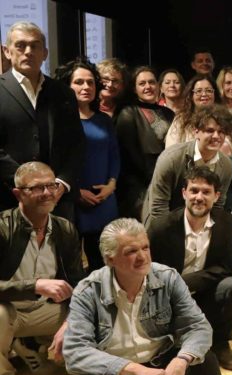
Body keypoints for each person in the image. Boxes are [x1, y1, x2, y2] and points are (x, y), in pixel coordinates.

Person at [63, 218, 232, 375]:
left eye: (145, 248)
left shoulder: (167, 277)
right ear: (110, 259)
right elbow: (74, 351)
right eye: (131, 251)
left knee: (206, 361)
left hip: (162, 370)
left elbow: (198, 326)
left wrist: (182, 360)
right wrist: (134, 370)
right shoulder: (88, 290)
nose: (142, 257)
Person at [0, 162, 84, 375]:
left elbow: (78, 284)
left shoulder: (64, 228)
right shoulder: (2, 227)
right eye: (37, 188)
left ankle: (32, 345)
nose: (48, 193)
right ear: (18, 194)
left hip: (43, 311)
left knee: (95, 311)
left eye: (52, 185)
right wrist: (34, 286)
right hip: (8, 312)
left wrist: (71, 321)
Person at [147, 166, 232, 370]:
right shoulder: (160, 227)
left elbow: (228, 267)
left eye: (206, 192)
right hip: (170, 298)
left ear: (216, 196)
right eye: (194, 190)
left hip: (207, 292)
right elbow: (150, 271)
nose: (199, 197)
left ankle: (220, 343)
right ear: (184, 193)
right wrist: (176, 287)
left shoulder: (226, 222)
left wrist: (186, 282)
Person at [0, 21, 85, 219]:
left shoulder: (64, 93)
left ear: (45, 53)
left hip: (59, 201)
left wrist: (62, 183)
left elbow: (76, 143)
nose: (28, 51)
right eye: (20, 45)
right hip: (9, 199)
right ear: (7, 51)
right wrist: (26, 184)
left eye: (34, 46)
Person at [55, 59, 120, 271]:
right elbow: (56, 161)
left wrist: (111, 186)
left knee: (104, 264)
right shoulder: (58, 120)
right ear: (67, 86)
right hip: (71, 200)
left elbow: (114, 155)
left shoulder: (104, 120)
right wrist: (76, 192)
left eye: (90, 82)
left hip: (104, 200)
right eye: (79, 82)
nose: (86, 87)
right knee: (70, 265)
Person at [142, 105, 232, 226]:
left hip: (200, 225)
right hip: (164, 222)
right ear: (196, 131)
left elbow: (216, 207)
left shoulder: (226, 165)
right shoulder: (171, 158)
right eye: (210, 131)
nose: (216, 136)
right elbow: (158, 208)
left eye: (221, 132)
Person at [115, 67, 176, 219]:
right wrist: (156, 178)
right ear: (134, 89)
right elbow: (129, 154)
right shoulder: (128, 113)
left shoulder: (169, 113)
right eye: (142, 83)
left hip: (167, 180)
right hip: (139, 186)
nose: (148, 87)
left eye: (151, 82)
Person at [165, 74, 221, 148]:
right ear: (191, 96)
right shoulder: (181, 120)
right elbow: (171, 150)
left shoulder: (223, 119)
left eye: (209, 91)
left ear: (214, 94)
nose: (204, 94)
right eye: (198, 91)